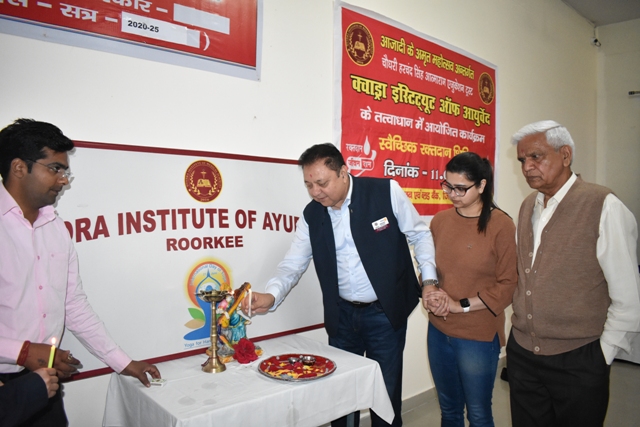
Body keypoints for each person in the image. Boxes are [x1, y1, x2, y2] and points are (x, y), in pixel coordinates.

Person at [240, 143, 437, 427]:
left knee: (385, 393)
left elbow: (420, 235)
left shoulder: (385, 192)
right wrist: (271, 295)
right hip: (342, 318)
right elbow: (293, 264)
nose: (316, 192)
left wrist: (429, 280)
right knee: (341, 396)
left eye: (322, 183)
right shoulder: (312, 215)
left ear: (344, 172)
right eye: (309, 185)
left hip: (385, 315)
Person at [0, 119, 162, 426]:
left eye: (65, 171)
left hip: (45, 384)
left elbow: (73, 305)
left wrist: (124, 363)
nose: (63, 180)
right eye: (55, 169)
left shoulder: (56, 229)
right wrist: (21, 352)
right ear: (19, 168)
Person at [508, 120, 640, 427]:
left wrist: (603, 354)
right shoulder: (528, 206)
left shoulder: (603, 205)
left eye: (536, 157)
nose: (527, 167)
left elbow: (628, 295)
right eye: (522, 160)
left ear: (565, 155)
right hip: (524, 353)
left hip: (579, 356)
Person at [423, 152, 517, 427]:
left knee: (477, 413)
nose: (452, 194)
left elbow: (508, 285)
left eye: (460, 188)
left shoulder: (501, 225)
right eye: (447, 186)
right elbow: (429, 267)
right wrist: (429, 289)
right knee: (449, 411)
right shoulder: (440, 221)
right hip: (439, 331)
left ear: (482, 185)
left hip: (477, 335)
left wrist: (458, 305)